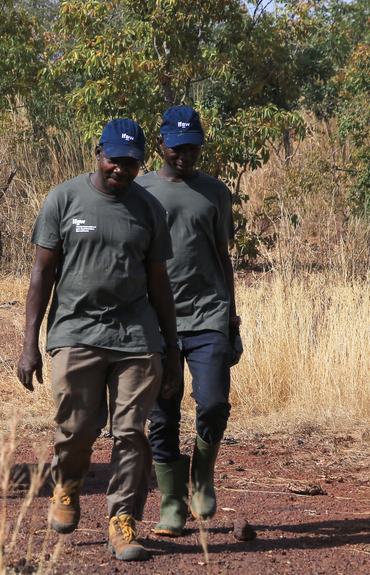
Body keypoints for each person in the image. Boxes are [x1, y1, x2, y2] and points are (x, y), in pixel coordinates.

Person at [17, 118, 182, 562]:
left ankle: (122, 521)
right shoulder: (64, 199)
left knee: (131, 433)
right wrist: (30, 343)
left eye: (131, 163)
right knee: (76, 429)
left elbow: (159, 283)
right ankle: (67, 487)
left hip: (136, 335)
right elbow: (42, 274)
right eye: (115, 160)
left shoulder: (149, 209)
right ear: (98, 152)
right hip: (75, 331)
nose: (121, 170)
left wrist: (171, 346)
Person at [135, 106, 240, 537]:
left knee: (212, 402)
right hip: (156, 321)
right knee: (162, 415)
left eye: (192, 147)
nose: (185, 154)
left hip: (208, 314)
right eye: (177, 147)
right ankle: (172, 502)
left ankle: (203, 474)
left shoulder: (215, 192)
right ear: (161, 144)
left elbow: (223, 258)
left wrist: (231, 316)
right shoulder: (138, 191)